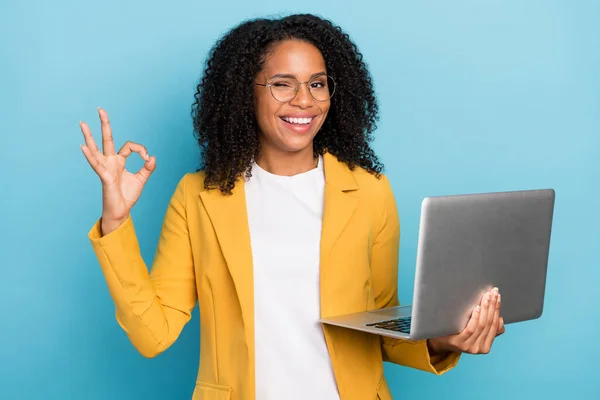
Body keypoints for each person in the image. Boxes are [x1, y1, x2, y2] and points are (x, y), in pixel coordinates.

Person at [80, 13, 505, 400]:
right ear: (245, 93)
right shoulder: (198, 196)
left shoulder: (369, 191)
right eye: (283, 83)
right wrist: (116, 220)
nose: (304, 100)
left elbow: (381, 331)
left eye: (317, 83)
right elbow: (152, 334)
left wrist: (447, 339)